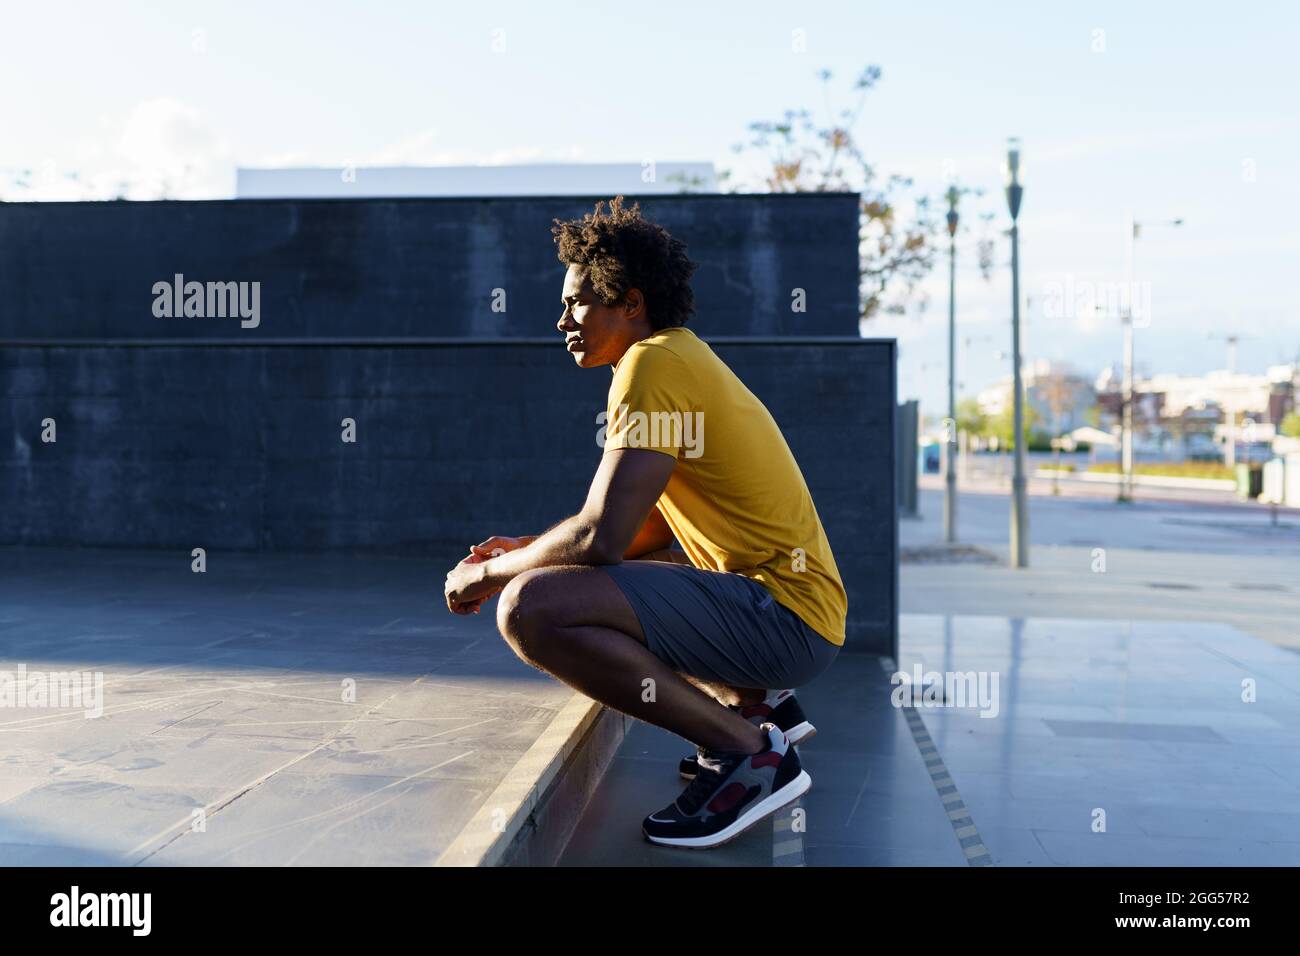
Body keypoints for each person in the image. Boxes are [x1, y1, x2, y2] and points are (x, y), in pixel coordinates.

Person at [444, 196, 847, 848]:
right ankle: (757, 708)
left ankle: (747, 753)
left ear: (629, 303)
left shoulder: (650, 364)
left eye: (577, 302)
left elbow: (601, 538)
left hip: (782, 621)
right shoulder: (680, 357)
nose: (562, 320)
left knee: (530, 607)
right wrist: (530, 545)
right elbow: (648, 528)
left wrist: (490, 573)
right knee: (582, 580)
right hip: (792, 617)